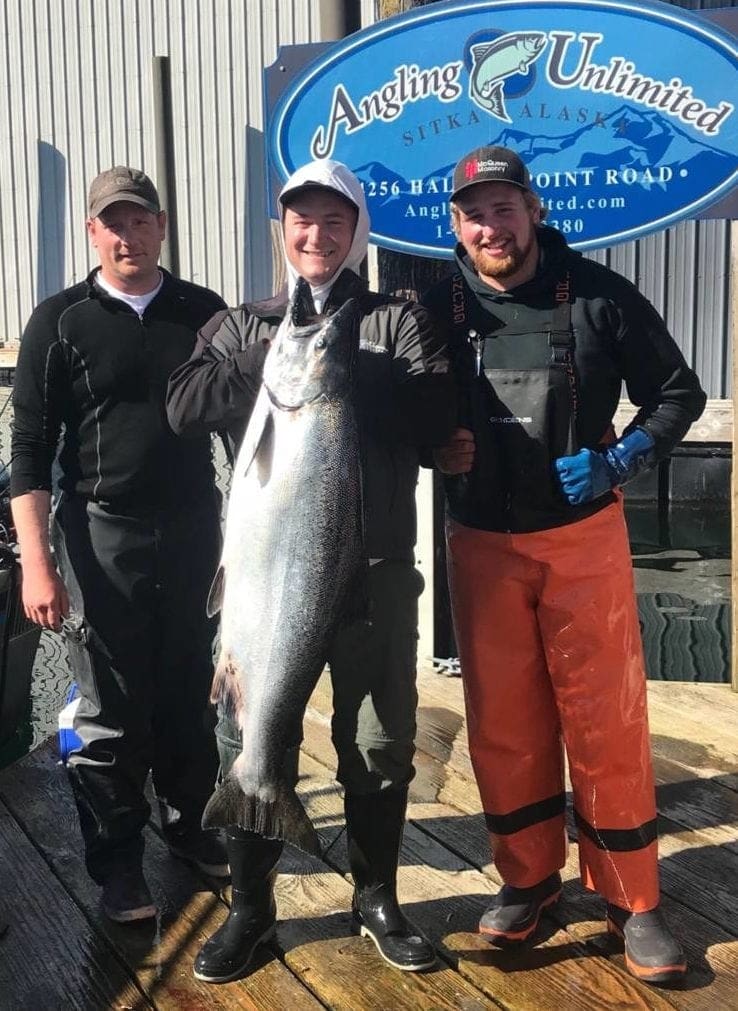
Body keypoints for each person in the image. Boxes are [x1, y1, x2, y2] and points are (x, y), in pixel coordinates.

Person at [165, 158, 456, 983]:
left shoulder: (399, 319)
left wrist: (340, 362)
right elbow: (184, 406)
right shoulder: (242, 322)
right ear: (283, 230)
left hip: (373, 573)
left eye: (335, 222)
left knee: (379, 741)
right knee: (250, 734)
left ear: (356, 231)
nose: (317, 236)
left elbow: (436, 414)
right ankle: (251, 911)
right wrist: (275, 357)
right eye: (303, 220)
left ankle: (376, 900)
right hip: (264, 581)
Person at [422, 146, 706, 986]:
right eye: (475, 212)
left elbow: (678, 394)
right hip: (480, 542)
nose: (491, 225)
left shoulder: (599, 296)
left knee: (605, 718)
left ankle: (632, 894)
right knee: (502, 722)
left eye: (505, 207)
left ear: (534, 210)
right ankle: (527, 877)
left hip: (582, 536)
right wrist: (431, 446)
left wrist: (623, 460)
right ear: (457, 225)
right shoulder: (433, 307)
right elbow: (389, 403)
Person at [10, 166, 229, 923]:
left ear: (162, 227)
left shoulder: (205, 313)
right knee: (106, 702)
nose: (127, 235)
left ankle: (192, 824)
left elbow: (249, 433)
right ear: (92, 232)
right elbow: (30, 449)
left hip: (196, 526)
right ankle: (119, 864)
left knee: (189, 684)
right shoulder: (60, 320)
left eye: (140, 220)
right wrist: (37, 564)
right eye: (113, 222)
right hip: (100, 532)